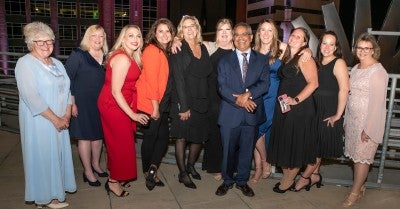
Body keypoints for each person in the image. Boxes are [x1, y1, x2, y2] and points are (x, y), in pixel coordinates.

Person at [15, 21, 76, 209]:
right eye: (40, 42)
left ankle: (55, 194)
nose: (46, 46)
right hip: (39, 121)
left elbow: (67, 89)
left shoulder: (57, 63)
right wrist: (55, 119)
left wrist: (66, 115)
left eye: (49, 41)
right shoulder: (24, 64)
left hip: (60, 119)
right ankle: (45, 198)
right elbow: (31, 97)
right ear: (31, 43)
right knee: (41, 157)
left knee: (56, 156)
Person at [215, 22, 269, 197]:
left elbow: (265, 83)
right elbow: (221, 87)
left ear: (251, 37)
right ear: (233, 38)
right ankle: (227, 180)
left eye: (244, 34)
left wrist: (249, 94)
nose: (240, 38)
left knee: (247, 151)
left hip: (252, 115)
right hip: (230, 114)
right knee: (227, 151)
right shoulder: (224, 60)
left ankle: (242, 182)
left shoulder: (261, 59)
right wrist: (240, 100)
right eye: (236, 35)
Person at [97, 24, 149, 197]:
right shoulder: (123, 58)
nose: (135, 39)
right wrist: (133, 114)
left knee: (118, 143)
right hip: (114, 105)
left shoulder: (131, 55)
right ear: (123, 39)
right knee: (120, 145)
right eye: (130, 36)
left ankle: (116, 176)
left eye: (138, 36)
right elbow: (115, 91)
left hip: (121, 103)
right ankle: (113, 182)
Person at [294, 31, 349, 191]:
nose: (327, 47)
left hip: (328, 110)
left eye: (331, 44)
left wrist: (338, 115)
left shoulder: (339, 62)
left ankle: (304, 178)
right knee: (314, 144)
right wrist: (307, 50)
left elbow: (345, 89)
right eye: (324, 43)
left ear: (336, 47)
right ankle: (315, 175)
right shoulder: (317, 62)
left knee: (317, 148)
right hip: (315, 109)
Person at [266, 27, 319, 193]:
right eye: (293, 35)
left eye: (299, 37)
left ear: (305, 42)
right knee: (285, 143)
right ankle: (286, 177)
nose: (294, 38)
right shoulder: (288, 55)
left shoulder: (304, 58)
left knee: (294, 145)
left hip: (299, 108)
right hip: (284, 106)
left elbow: (313, 83)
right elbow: (269, 40)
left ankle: (287, 182)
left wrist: (295, 100)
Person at [342, 33, 388, 207]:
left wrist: (368, 128)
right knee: (356, 157)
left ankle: (354, 193)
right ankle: (359, 187)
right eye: (359, 48)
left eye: (366, 48)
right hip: (353, 120)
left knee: (362, 158)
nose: (362, 51)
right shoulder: (355, 68)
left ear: (374, 50)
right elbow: (349, 95)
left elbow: (378, 104)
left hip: (367, 122)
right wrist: (346, 120)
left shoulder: (378, 72)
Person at [169, 15, 213, 189]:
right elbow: (178, 79)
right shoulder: (179, 48)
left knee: (199, 138)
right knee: (182, 138)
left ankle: (190, 165)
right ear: (181, 29)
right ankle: (182, 173)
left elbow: (208, 75)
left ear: (197, 28)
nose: (189, 29)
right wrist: (184, 106)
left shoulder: (203, 47)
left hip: (202, 101)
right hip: (184, 101)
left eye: (192, 26)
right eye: (185, 26)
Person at [65, 25, 109, 187]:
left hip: (101, 103)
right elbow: (67, 80)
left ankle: (96, 165)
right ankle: (87, 171)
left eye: (101, 36)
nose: (98, 39)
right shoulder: (78, 54)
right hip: (81, 102)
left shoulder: (106, 56)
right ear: (87, 37)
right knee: (84, 137)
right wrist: (72, 103)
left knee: (98, 136)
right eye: (94, 36)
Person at [136, 18, 175, 191]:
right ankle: (148, 171)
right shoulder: (152, 50)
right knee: (151, 138)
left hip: (163, 103)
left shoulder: (165, 51)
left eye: (168, 31)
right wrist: (155, 107)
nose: (165, 34)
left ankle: (152, 167)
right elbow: (151, 81)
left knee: (163, 138)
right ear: (154, 33)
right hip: (151, 104)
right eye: (161, 31)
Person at [250, 19, 287, 183]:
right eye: (262, 30)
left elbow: (301, 57)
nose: (266, 33)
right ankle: (260, 167)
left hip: (274, 96)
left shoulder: (282, 48)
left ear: (274, 33)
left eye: (269, 30)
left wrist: (306, 51)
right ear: (258, 33)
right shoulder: (253, 51)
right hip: (257, 96)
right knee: (256, 130)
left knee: (260, 130)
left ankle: (264, 163)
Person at [201, 18, 235, 181]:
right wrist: (176, 40)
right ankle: (215, 166)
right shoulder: (209, 47)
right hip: (212, 99)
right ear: (216, 33)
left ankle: (230, 165)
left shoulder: (240, 50)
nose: (224, 33)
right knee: (214, 134)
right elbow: (186, 38)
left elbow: (270, 45)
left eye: (227, 30)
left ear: (232, 33)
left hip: (232, 99)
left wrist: (305, 50)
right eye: (221, 29)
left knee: (231, 135)